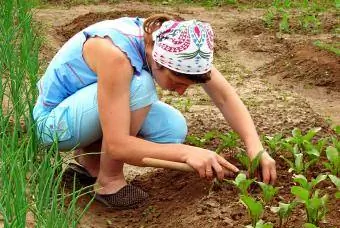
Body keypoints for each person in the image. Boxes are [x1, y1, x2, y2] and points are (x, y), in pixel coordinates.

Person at [33, 14, 276, 209]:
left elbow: (224, 97)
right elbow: (117, 145)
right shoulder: (117, 55)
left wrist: (255, 148)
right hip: (54, 126)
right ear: (157, 61)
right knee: (140, 85)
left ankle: (88, 167)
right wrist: (185, 153)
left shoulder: (179, 45)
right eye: (177, 83)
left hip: (86, 108)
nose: (180, 92)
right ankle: (108, 181)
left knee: (172, 128)